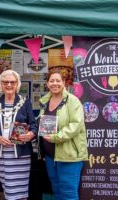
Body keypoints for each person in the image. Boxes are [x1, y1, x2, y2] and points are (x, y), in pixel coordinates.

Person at [0, 70, 37, 200]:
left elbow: (33, 124)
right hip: (3, 153)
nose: (9, 85)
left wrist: (31, 134)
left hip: (21, 153)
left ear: (17, 84)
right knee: (8, 188)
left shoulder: (25, 102)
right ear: (1, 85)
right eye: (5, 82)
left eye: (12, 82)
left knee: (20, 189)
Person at [38, 70, 88, 200]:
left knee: (68, 193)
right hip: (50, 156)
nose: (55, 83)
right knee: (56, 190)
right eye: (51, 81)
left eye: (58, 80)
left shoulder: (73, 101)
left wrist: (55, 137)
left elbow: (75, 126)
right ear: (47, 84)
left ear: (64, 83)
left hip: (69, 156)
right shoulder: (45, 101)